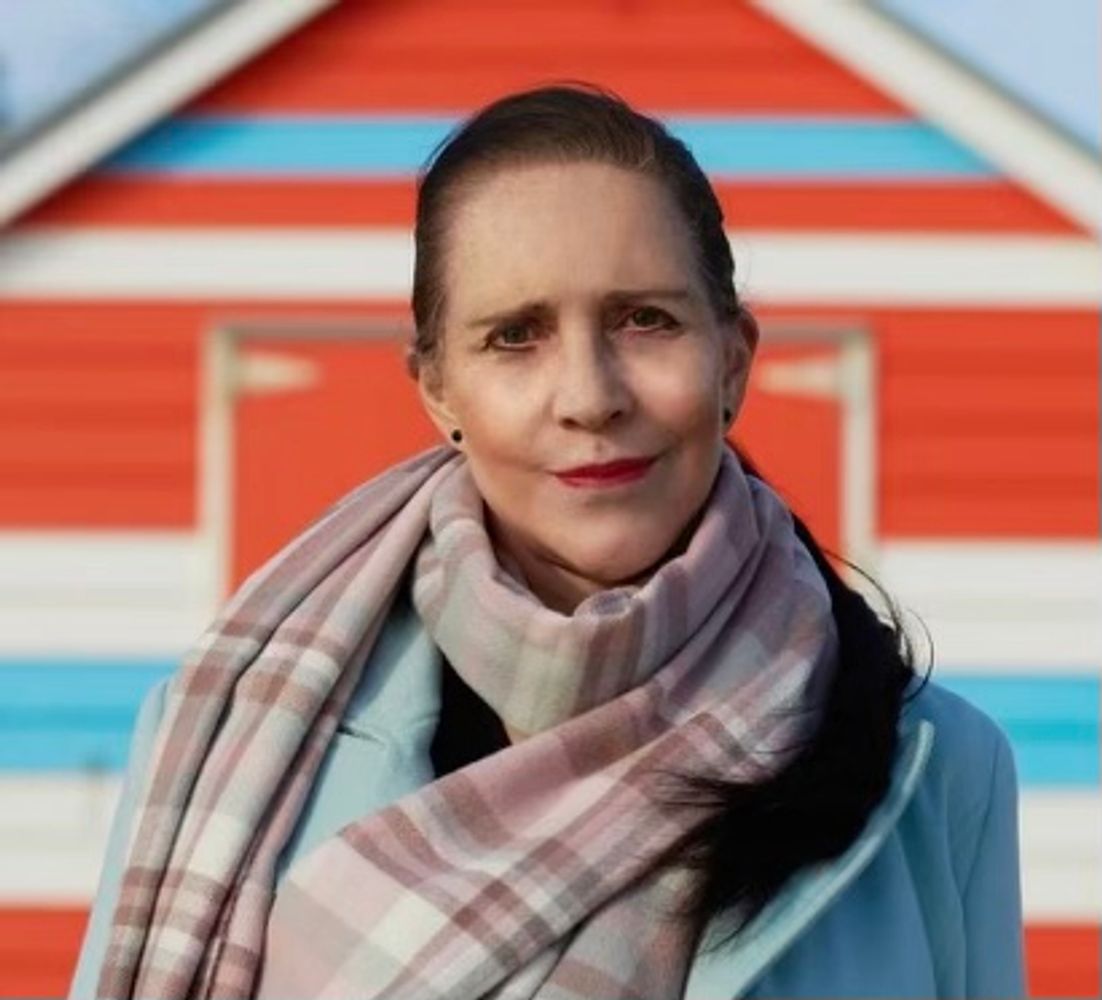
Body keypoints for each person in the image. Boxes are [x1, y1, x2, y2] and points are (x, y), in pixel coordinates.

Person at [71, 84, 1024, 1000]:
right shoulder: (227, 743)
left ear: (733, 357)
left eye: (644, 320)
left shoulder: (939, 773)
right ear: (438, 389)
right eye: (515, 336)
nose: (589, 396)